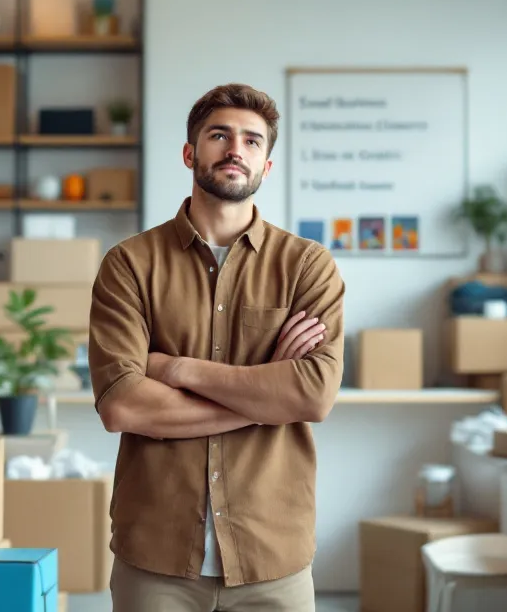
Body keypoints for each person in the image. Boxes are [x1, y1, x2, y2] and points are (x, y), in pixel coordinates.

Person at [88, 83, 346, 611]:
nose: (236, 149)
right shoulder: (130, 264)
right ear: (190, 153)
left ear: (266, 167)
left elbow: (312, 398)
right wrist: (266, 391)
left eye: (253, 141)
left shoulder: (307, 266)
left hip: (272, 556)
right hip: (155, 557)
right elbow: (122, 406)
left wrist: (176, 368)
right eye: (219, 135)